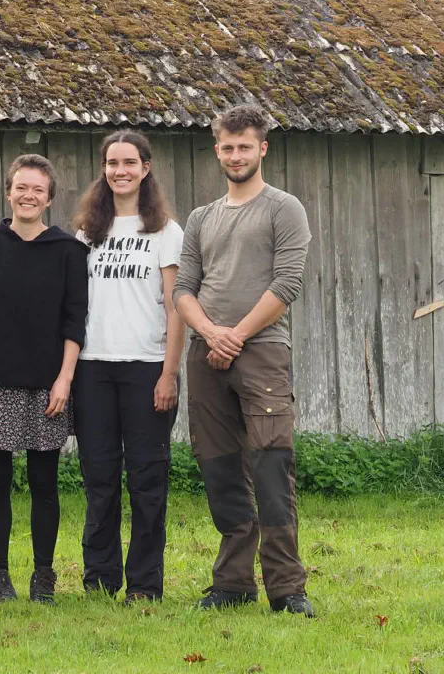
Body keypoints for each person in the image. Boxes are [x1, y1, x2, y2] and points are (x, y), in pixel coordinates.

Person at [172, 103, 315, 617]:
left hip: (264, 352)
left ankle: (287, 588)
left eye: (244, 146)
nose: (236, 155)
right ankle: (232, 584)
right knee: (220, 470)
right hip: (205, 354)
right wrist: (211, 333)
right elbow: (184, 289)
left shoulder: (283, 208)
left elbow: (287, 284)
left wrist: (237, 335)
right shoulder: (201, 218)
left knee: (273, 467)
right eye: (227, 148)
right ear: (217, 151)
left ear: (262, 149)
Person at [0, 153, 86, 604]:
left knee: (43, 483)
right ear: (8, 191)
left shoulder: (69, 251)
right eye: (21, 187)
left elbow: (75, 321)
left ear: (49, 198)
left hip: (46, 384)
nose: (28, 196)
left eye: (38, 189)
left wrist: (65, 380)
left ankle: (44, 576)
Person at [71, 130, 184, 602]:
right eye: (112, 162)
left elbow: (177, 305)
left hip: (146, 369)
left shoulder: (165, 232)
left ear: (146, 168)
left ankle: (143, 584)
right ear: (104, 169)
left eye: (129, 162)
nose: (120, 170)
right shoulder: (87, 233)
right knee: (99, 478)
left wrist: (169, 373)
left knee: (146, 480)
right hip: (93, 368)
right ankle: (99, 579)